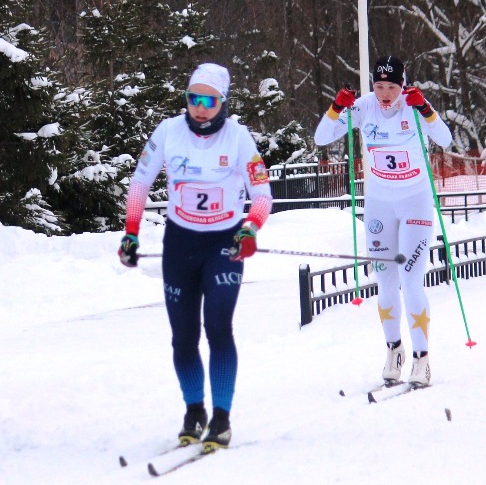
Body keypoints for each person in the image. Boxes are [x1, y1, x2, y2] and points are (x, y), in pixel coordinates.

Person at [117, 63, 274, 450]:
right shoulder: (168, 131)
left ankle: (221, 417)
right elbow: (140, 182)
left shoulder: (238, 138)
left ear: (222, 102)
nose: (199, 108)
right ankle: (194, 410)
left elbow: (262, 194)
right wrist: (131, 232)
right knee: (183, 338)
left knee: (218, 328)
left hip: (223, 244)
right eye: (193, 99)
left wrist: (250, 229)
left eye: (208, 100)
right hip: (181, 244)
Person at [313, 55, 453, 387]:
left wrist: (426, 111)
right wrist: (336, 108)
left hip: (415, 204)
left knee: (411, 278)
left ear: (403, 85)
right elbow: (321, 138)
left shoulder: (413, 105)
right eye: (379, 86)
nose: (386, 94)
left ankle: (422, 358)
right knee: (386, 283)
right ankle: (394, 350)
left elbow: (446, 140)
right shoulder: (363, 107)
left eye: (392, 87)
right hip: (379, 207)